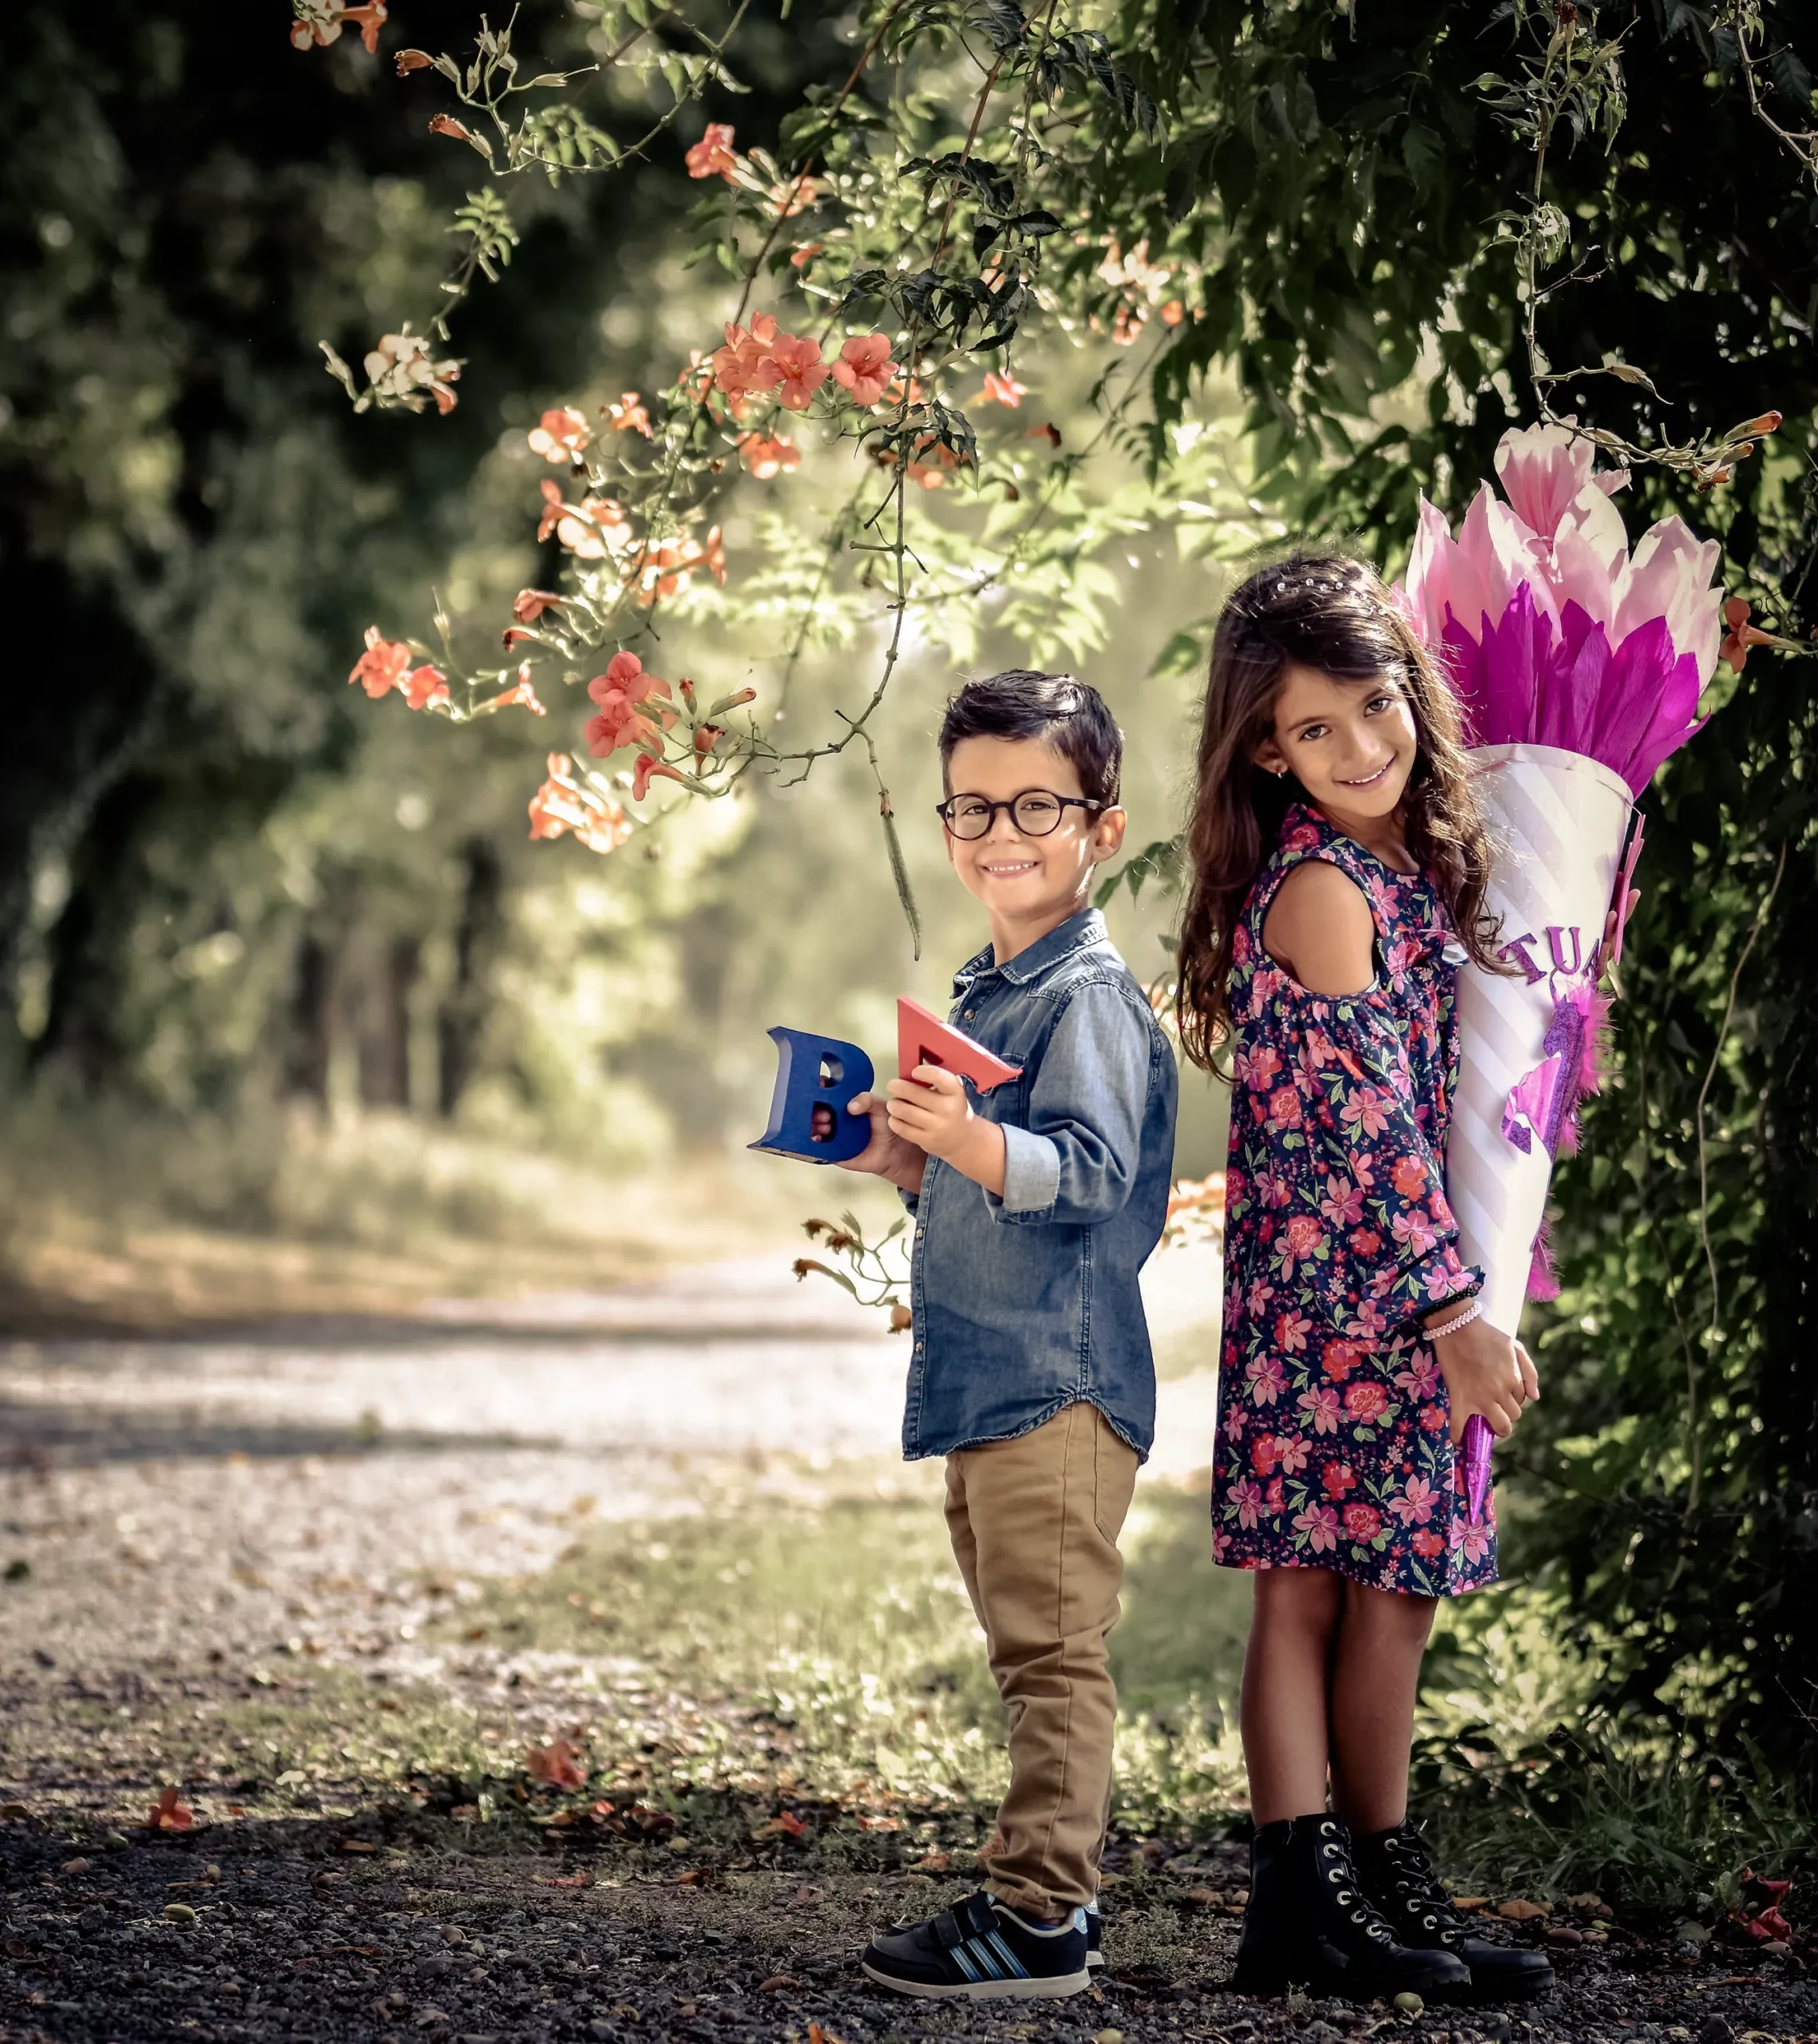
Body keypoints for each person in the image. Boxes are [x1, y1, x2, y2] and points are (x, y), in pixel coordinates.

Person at [1172, 556, 1557, 2006]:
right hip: (1339, 1301)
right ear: (1267, 748)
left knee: (1400, 1593)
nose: (1361, 747)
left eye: (1375, 707)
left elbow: (1459, 1093)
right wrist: (1451, 1315)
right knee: (1311, 1589)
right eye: (1314, 731)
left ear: (1412, 692)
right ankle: (1297, 1889)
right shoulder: (1325, 889)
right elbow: (1366, 1132)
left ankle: (1383, 1875)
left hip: (1416, 1276)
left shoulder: (1416, 866)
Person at [836, 669, 1178, 1999]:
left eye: (1039, 803)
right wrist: (904, 1158)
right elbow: (995, 1185)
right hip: (996, 1378)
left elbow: (1088, 1170)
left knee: (1055, 1656)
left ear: (1102, 826)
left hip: (1060, 1384)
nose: (1000, 833)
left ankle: (1044, 1918)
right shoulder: (993, 988)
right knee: (1025, 1648)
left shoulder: (1084, 996)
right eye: (972, 807)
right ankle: (1038, 1898)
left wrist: (974, 1137)